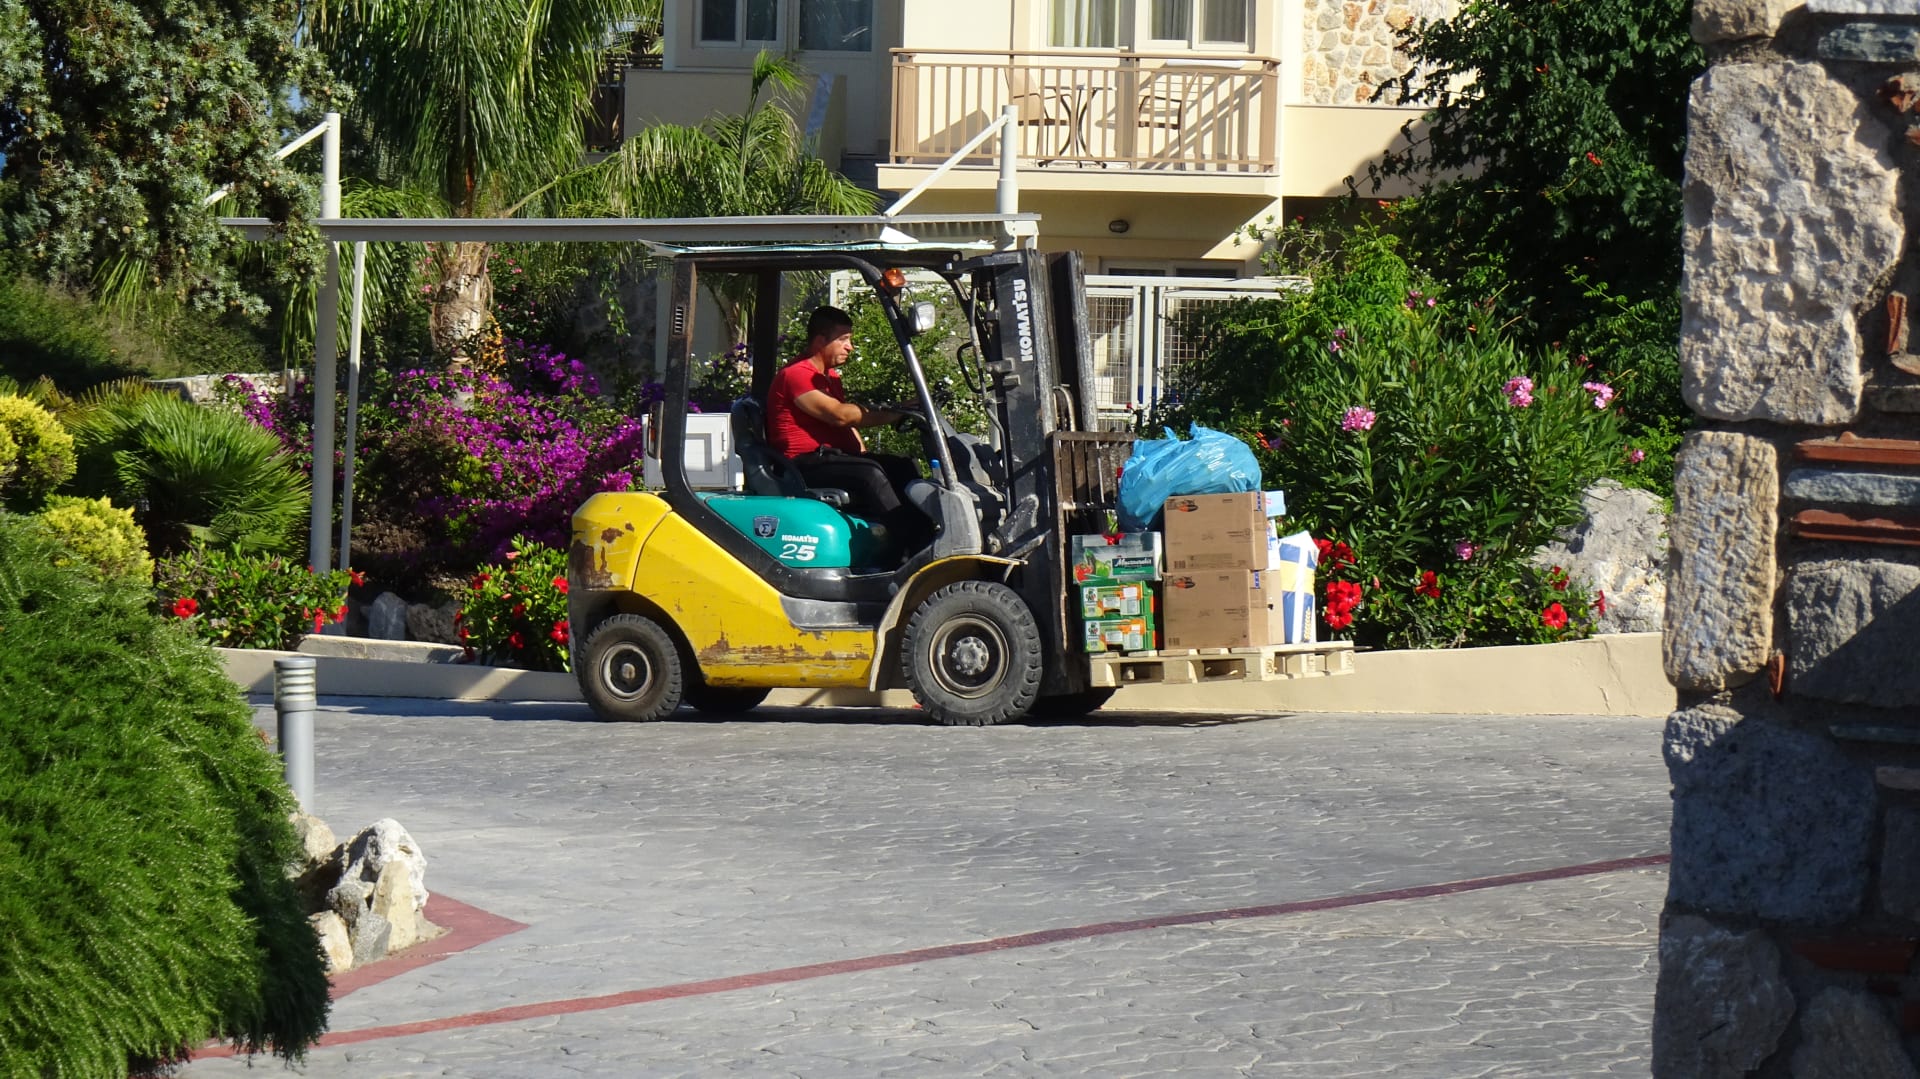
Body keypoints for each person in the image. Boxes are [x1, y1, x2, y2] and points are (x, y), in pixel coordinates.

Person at [765, 306, 931, 550]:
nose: (850, 347)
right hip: (802, 464)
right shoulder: (797, 374)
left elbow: (846, 424)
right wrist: (897, 411)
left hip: (828, 457)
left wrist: (861, 450)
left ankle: (925, 537)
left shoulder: (829, 376)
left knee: (903, 466)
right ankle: (912, 545)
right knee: (870, 473)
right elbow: (839, 416)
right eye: (843, 339)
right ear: (820, 341)